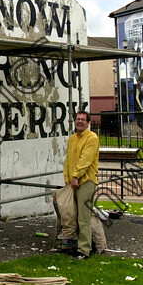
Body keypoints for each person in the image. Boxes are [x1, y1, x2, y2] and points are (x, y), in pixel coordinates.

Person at [63, 110, 100, 259]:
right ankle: (77, 244)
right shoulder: (72, 139)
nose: (80, 121)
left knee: (84, 217)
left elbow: (86, 160)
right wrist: (67, 177)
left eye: (83, 120)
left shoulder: (92, 138)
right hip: (73, 182)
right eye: (78, 119)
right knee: (73, 216)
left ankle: (84, 250)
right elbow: (68, 160)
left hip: (86, 181)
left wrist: (75, 176)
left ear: (88, 122)